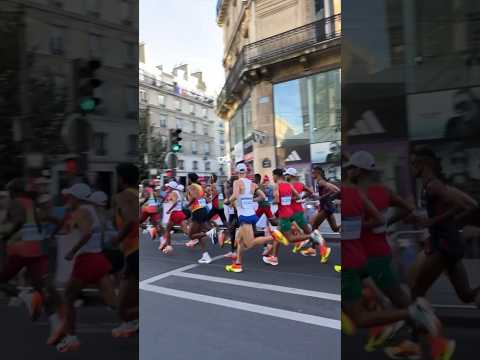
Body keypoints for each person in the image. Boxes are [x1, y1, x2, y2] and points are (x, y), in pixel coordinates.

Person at [56, 183, 115, 352]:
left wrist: (72, 252)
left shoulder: (82, 211)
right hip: (98, 258)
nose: (68, 199)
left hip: (87, 258)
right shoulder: (92, 210)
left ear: (77, 198)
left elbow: (87, 232)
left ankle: (71, 338)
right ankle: (134, 319)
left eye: (70, 197)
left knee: (67, 297)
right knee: (112, 301)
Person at [225, 164, 288, 273]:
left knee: (249, 243)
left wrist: (228, 201)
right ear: (246, 172)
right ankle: (238, 264)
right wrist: (251, 200)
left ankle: (273, 236)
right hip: (251, 214)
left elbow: (235, 195)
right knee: (239, 240)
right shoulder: (252, 184)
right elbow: (263, 196)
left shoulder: (237, 182)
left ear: (236, 172)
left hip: (244, 216)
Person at [265, 169, 323, 266]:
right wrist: (287, 200)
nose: (272, 178)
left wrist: (270, 202)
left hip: (284, 214)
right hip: (290, 212)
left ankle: (312, 236)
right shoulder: (288, 185)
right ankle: (273, 257)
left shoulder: (277, 185)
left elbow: (277, 199)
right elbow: (298, 196)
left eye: (273, 175)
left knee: (290, 238)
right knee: (277, 235)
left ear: (276, 175)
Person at [111, 163, 140, 338]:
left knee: (124, 306)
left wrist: (117, 239)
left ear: (121, 179)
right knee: (122, 306)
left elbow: (130, 221)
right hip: (131, 253)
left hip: (134, 250)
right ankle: (132, 324)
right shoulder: (137, 194)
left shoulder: (123, 196)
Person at [158, 181, 188, 255]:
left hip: (175, 213)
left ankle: (169, 246)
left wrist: (169, 210)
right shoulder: (176, 192)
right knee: (185, 231)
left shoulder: (173, 193)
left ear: (171, 187)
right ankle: (201, 235)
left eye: (168, 186)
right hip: (180, 213)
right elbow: (171, 200)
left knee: (167, 230)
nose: (167, 187)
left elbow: (175, 202)